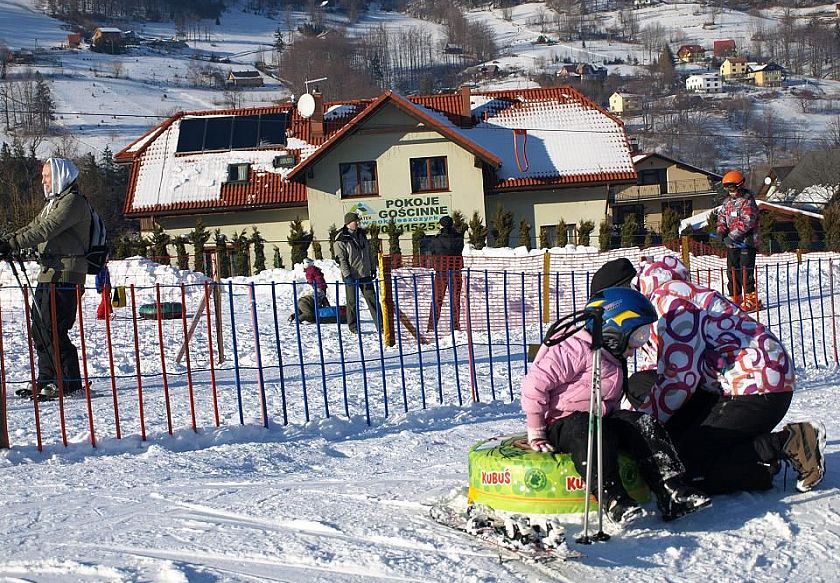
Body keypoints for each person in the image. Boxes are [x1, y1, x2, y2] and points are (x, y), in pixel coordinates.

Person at [629, 255, 825, 495]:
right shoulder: (674, 295)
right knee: (641, 385)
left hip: (754, 388)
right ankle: (740, 462)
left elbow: (679, 381)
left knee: (686, 466)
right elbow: (658, 370)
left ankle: (786, 443)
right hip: (745, 382)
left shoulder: (668, 302)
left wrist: (639, 428)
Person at [522, 287, 711, 524]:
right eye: (637, 336)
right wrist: (536, 431)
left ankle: (671, 488)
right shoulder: (573, 349)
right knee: (589, 428)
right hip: (565, 423)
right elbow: (534, 386)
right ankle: (612, 497)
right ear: (614, 328)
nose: (640, 343)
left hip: (603, 418)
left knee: (639, 421)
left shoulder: (612, 352)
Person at [0, 158, 91, 399]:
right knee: (40, 329)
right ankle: (47, 378)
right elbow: (34, 226)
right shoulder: (54, 203)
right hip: (49, 273)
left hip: (66, 275)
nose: (43, 181)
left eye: (47, 175)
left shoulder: (73, 202)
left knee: (54, 328)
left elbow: (47, 229)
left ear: (61, 175)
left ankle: (69, 382)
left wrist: (11, 243)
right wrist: (8, 240)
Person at [717, 170, 761, 311]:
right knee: (732, 271)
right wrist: (721, 230)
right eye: (727, 188)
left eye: (733, 188)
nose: (731, 191)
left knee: (745, 271)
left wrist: (732, 235)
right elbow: (722, 218)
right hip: (732, 244)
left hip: (746, 243)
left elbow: (748, 221)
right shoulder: (727, 203)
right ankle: (735, 297)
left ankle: (751, 299)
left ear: (740, 186)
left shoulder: (747, 201)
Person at [334, 212, 381, 334]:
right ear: (348, 223)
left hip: (365, 273)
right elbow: (341, 259)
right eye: (356, 221)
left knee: (372, 299)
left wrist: (372, 267)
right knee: (352, 302)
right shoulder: (341, 238)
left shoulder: (361, 234)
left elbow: (368, 252)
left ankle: (381, 325)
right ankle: (353, 327)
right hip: (351, 275)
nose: (358, 223)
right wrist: (347, 275)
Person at [427, 215, 465, 331]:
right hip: (455, 271)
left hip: (441, 271)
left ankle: (432, 326)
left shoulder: (435, 240)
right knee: (455, 299)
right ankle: (455, 326)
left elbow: (432, 252)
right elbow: (460, 250)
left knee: (437, 299)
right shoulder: (459, 238)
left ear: (441, 225)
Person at [292, 258, 330, 323]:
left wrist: (310, 282)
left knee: (302, 311)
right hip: (319, 287)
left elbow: (309, 278)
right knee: (309, 314)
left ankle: (294, 316)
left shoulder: (309, 270)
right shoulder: (314, 269)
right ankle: (297, 320)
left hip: (315, 290)